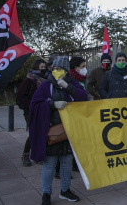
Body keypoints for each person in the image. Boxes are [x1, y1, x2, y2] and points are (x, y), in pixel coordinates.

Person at [29, 56, 88, 204]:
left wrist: (68, 87)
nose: (56, 71)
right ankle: (46, 194)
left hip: (70, 130)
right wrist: (51, 104)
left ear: (67, 71)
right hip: (52, 131)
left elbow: (83, 97)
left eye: (60, 69)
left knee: (67, 162)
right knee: (50, 164)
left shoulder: (74, 84)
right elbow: (35, 104)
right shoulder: (46, 85)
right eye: (54, 68)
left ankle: (65, 190)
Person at [17, 59, 48, 167]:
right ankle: (26, 154)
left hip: (43, 109)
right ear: (35, 68)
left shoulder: (46, 79)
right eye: (41, 67)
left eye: (45, 67)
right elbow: (21, 95)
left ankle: (38, 156)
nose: (43, 69)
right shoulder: (29, 79)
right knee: (34, 132)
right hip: (31, 110)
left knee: (42, 132)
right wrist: (32, 105)